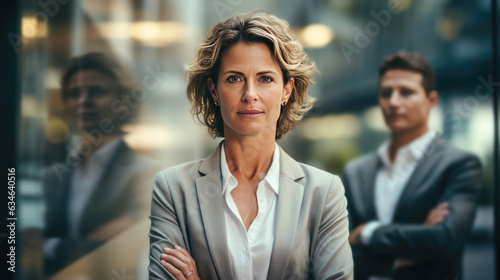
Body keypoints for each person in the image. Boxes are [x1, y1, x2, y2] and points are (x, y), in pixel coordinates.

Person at [148, 11, 353, 280]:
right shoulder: (173, 189)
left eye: (265, 79)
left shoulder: (324, 193)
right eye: (234, 78)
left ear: (287, 90)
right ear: (213, 90)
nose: (250, 95)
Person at [343, 51, 482, 280]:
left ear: (432, 101)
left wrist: (368, 232)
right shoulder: (356, 171)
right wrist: (406, 255)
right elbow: (340, 250)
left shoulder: (459, 164)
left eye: (406, 92)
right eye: (387, 93)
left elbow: (444, 240)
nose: (394, 102)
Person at [40, 52, 160, 278]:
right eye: (74, 93)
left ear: (123, 102)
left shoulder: (148, 175)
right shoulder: (51, 177)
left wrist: (49, 246)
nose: (83, 101)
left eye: (97, 91)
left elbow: (118, 254)